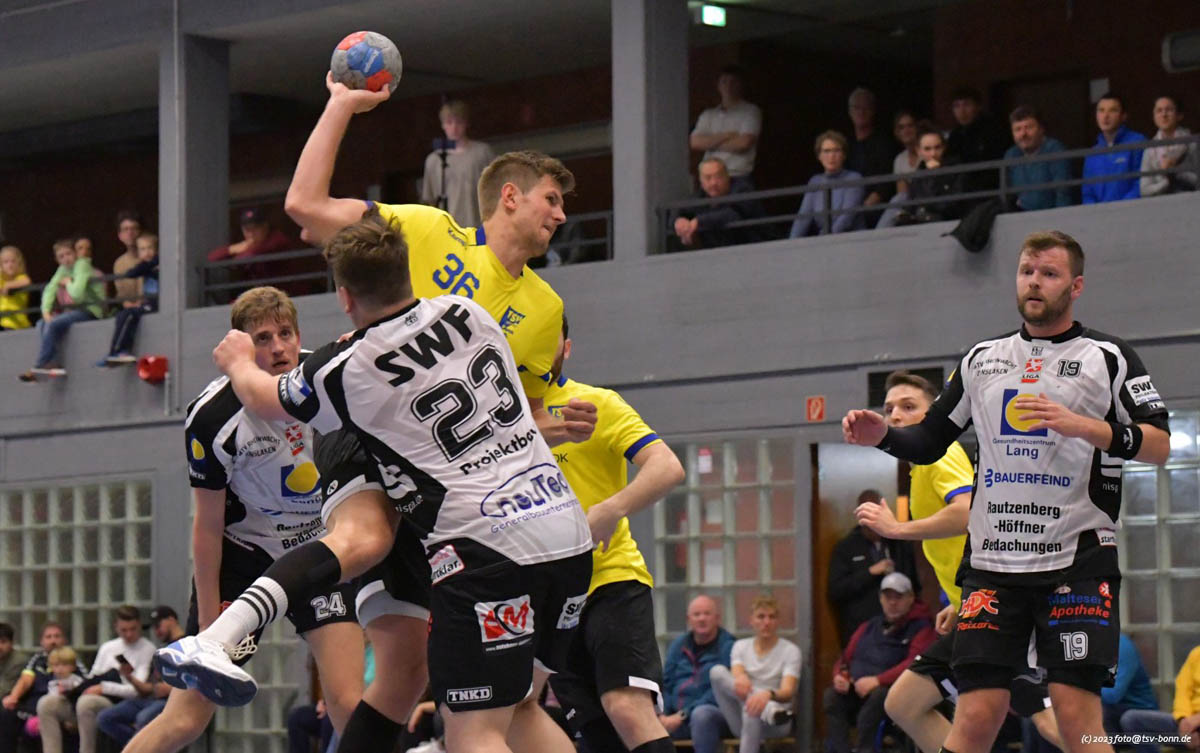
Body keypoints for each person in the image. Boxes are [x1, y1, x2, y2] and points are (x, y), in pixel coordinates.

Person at [170, 71, 597, 753]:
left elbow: (515, 415)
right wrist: (341, 103)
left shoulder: (541, 308)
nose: (561, 215)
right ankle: (221, 637)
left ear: (344, 299)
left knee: (444, 691)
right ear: (509, 196)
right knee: (371, 564)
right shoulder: (453, 277)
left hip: (454, 490)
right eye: (552, 198)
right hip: (481, 488)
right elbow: (305, 204)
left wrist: (240, 360)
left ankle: (222, 634)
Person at [843, 229, 1172, 753]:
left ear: (1076, 286)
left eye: (1049, 273)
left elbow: (1159, 444)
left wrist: (1085, 426)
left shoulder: (1108, 356)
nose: (1034, 282)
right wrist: (883, 435)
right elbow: (928, 440)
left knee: (1075, 717)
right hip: (994, 568)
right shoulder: (983, 358)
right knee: (977, 713)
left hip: (1076, 562)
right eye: (1026, 271)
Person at [123, 287, 367, 753]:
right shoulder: (213, 417)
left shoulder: (329, 380)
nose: (278, 347)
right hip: (244, 556)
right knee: (185, 718)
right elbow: (207, 527)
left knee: (348, 703)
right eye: (262, 338)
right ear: (239, 346)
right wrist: (210, 624)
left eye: (285, 333)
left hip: (317, 552)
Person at [856, 370, 1062, 753]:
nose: (895, 415)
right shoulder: (920, 466)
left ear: (934, 414)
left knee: (1046, 719)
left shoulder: (940, 454)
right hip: (974, 607)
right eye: (889, 408)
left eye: (908, 406)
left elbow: (968, 512)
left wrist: (896, 529)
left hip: (1000, 609)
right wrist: (956, 599)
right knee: (904, 704)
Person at [544, 316, 686, 753]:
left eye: (547, 337)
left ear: (566, 348)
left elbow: (667, 466)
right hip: (548, 599)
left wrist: (612, 508)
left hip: (611, 579)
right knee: (595, 733)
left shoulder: (596, 403)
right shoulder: (500, 418)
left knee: (625, 707)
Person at [823, 573, 934, 753]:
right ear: (881, 599)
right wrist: (839, 675)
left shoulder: (922, 628)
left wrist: (878, 680)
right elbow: (845, 658)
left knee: (880, 697)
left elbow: (914, 663)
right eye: (888, 597)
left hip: (892, 693)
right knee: (832, 697)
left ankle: (864, 750)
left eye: (898, 597)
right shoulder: (868, 626)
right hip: (857, 688)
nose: (892, 602)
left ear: (911, 598)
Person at [37, 606, 156, 753]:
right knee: (47, 703)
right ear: (116, 627)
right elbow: (93, 677)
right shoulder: (108, 647)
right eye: (124, 630)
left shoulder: (147, 649)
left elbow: (136, 691)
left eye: (133, 629)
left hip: (119, 701)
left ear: (139, 625)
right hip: (93, 694)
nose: (129, 634)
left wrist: (104, 687)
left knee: (86, 702)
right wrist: (73, 687)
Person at [828, 489, 918, 647]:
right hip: (861, 626)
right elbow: (836, 590)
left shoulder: (898, 543)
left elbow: (914, 584)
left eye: (875, 510)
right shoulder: (846, 547)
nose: (871, 517)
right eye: (866, 511)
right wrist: (870, 572)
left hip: (900, 625)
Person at [710, 596, 801, 753]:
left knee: (752, 708)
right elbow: (737, 673)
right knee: (716, 672)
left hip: (777, 722)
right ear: (751, 620)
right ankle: (768, 708)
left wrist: (767, 695)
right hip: (742, 721)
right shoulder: (740, 646)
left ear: (778, 621)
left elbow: (788, 692)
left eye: (772, 617)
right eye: (761, 617)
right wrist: (741, 678)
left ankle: (768, 708)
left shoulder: (790, 651)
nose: (766, 622)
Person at [95, 606, 183, 749]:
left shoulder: (186, 645)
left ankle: (141, 748)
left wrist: (171, 689)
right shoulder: (162, 650)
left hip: (170, 700)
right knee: (105, 718)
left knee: (143, 718)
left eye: (158, 625)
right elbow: (147, 688)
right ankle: (142, 748)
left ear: (171, 620)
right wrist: (129, 677)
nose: (156, 631)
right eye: (154, 628)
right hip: (149, 698)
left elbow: (196, 680)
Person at [18, 239, 105, 381]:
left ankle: (41, 364)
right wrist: (46, 312)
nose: (66, 259)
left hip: (90, 310)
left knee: (54, 323)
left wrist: (68, 283)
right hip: (73, 311)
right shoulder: (62, 270)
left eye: (68, 254)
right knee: (42, 323)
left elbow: (77, 295)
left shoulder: (82, 265)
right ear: (57, 260)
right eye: (61, 256)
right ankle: (52, 363)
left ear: (75, 253)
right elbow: (49, 290)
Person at [660, 595, 736, 753]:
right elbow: (666, 684)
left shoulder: (729, 646)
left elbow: (721, 691)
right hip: (674, 717)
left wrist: (683, 714)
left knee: (701, 716)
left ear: (717, 618)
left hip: (714, 715)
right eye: (696, 614)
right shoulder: (678, 646)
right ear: (688, 619)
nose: (702, 619)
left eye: (707, 614)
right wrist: (663, 714)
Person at [0, 622, 82, 753]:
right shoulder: (37, 659)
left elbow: (83, 684)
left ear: (64, 640)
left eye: (57, 636)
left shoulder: (72, 659)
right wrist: (13, 697)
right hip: (33, 707)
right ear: (42, 641)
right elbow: (25, 679)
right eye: (48, 637)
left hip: (61, 705)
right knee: (7, 715)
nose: (53, 641)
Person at [420, 100, 496, 229]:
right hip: (449, 229)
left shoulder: (482, 152)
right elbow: (431, 200)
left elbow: (496, 190)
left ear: (466, 123)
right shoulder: (434, 160)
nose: (454, 128)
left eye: (459, 122)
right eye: (449, 122)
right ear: (443, 125)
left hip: (481, 225)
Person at [689, 65, 762, 191]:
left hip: (737, 175)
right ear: (718, 86)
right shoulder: (708, 115)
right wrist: (726, 136)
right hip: (710, 177)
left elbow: (743, 143)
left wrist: (710, 143)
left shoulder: (750, 111)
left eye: (733, 82)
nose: (728, 86)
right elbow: (694, 142)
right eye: (724, 82)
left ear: (740, 85)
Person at [673, 158, 767, 249]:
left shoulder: (743, 189)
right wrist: (680, 221)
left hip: (758, 248)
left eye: (718, 176)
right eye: (708, 178)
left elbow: (733, 214)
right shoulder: (700, 196)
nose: (713, 183)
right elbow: (679, 211)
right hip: (717, 252)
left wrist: (698, 222)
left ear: (727, 176)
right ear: (701, 182)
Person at [1120, 643, 1200, 751]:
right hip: (1186, 723)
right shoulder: (1196, 654)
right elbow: (1183, 691)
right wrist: (1183, 719)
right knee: (1131, 719)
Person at [789, 130, 865, 238]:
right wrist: (791, 242)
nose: (831, 156)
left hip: (851, 239)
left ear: (844, 155)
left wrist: (823, 239)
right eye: (826, 151)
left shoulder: (854, 178)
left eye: (836, 150)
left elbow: (846, 218)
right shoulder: (815, 181)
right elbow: (803, 218)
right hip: (825, 240)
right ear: (819, 156)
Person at [98, 231, 158, 366]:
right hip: (148, 302)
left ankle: (120, 351)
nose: (147, 252)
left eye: (150, 248)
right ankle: (114, 352)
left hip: (157, 304)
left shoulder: (155, 263)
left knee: (130, 315)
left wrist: (134, 270)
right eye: (143, 249)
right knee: (122, 315)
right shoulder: (147, 266)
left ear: (156, 250)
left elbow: (133, 273)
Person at [1004, 105, 1072, 211]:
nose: (1023, 134)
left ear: (1041, 129)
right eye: (1018, 129)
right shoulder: (1011, 155)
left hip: (1050, 216)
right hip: (1020, 217)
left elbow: (1063, 193)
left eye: (1029, 127)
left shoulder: (1054, 149)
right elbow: (1007, 196)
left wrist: (1061, 218)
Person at [945, 87, 1011, 194]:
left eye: (967, 105)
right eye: (957, 106)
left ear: (978, 106)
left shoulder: (994, 129)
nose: (962, 111)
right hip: (962, 192)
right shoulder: (955, 135)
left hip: (991, 190)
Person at [1082, 93, 1145, 204]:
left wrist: (1121, 207)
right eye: (1101, 110)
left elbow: (1141, 183)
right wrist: (1094, 211)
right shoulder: (1092, 154)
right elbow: (1088, 193)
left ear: (1123, 116)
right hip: (1100, 213)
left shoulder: (1138, 142)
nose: (1105, 116)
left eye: (1112, 110)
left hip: (1132, 209)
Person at [845, 87, 899, 218]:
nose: (861, 112)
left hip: (876, 208)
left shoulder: (884, 143)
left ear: (873, 111)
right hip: (849, 207)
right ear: (850, 112)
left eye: (866, 107)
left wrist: (873, 199)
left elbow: (887, 178)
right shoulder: (846, 145)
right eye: (856, 108)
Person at [899, 127, 966, 224]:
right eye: (927, 149)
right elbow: (910, 206)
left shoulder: (956, 170)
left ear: (944, 147)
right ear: (918, 150)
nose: (933, 153)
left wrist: (936, 176)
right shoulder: (918, 175)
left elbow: (953, 205)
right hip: (921, 225)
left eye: (937, 148)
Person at [1140, 95, 1198, 197]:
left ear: (1179, 115)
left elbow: (1197, 180)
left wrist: (1174, 171)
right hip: (1161, 202)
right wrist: (1165, 183)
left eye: (1169, 110)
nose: (1164, 115)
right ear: (1154, 117)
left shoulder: (1192, 144)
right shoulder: (1150, 150)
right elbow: (1144, 190)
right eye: (1159, 111)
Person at [111, 211, 143, 304]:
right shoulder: (119, 263)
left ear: (140, 232)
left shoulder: (152, 258)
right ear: (120, 236)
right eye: (125, 229)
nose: (130, 232)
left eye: (134, 228)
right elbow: (122, 295)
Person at [0, 246, 32, 331]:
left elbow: (27, 281)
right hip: (6, 323)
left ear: (19, 263)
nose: (10, 265)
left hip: (21, 323)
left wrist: (8, 285)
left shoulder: (21, 277)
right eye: (5, 262)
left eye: (13, 261)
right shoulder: (2, 280)